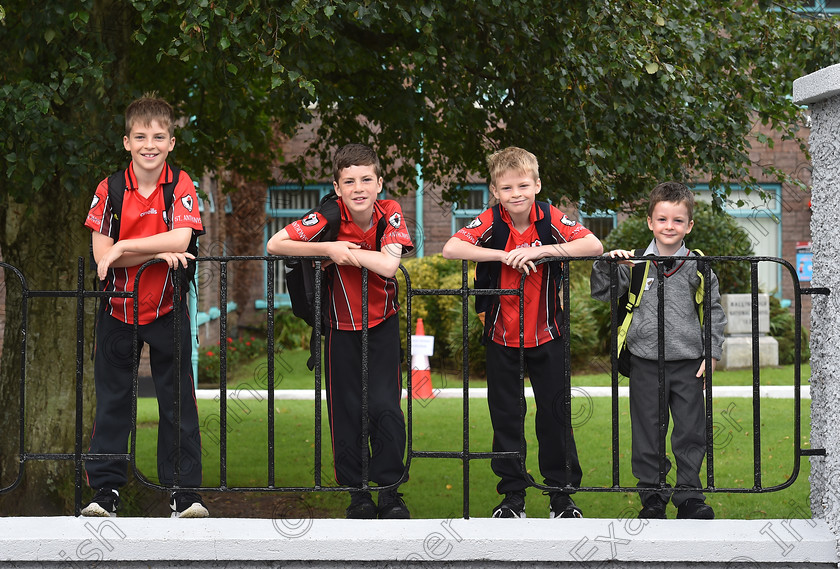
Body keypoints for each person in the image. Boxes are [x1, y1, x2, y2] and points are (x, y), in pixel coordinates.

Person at [442, 146, 603, 519]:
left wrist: (542, 251)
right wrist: (506, 255)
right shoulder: (491, 221)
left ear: (537, 185)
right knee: (506, 417)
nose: (516, 194)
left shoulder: (549, 217)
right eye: (506, 188)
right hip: (500, 334)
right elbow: (452, 248)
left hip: (548, 332)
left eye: (523, 185)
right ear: (495, 192)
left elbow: (593, 244)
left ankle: (561, 496)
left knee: (556, 415)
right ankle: (513, 496)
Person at [267, 143, 414, 519]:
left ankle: (389, 492)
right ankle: (358, 494)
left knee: (386, 410)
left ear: (380, 183)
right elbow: (275, 243)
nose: (359, 187)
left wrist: (348, 254)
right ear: (337, 186)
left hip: (382, 326)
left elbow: (388, 266)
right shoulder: (328, 215)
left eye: (367, 179)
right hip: (337, 330)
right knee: (346, 415)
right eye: (350, 181)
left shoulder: (390, 212)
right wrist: (330, 247)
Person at [83, 95, 208, 518]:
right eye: (140, 136)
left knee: (178, 401)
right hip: (118, 308)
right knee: (114, 399)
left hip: (168, 306)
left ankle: (184, 493)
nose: (149, 144)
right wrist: (146, 251)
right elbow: (102, 259)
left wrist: (126, 247)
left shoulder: (180, 183)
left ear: (171, 142)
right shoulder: (111, 188)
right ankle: (105, 492)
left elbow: (183, 240)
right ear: (126, 141)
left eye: (158, 136)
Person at [589, 181, 726, 520]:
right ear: (650, 221)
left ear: (689, 225)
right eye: (662, 219)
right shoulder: (635, 263)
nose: (669, 227)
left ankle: (690, 497)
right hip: (644, 361)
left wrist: (711, 353)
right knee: (648, 432)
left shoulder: (698, 266)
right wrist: (607, 262)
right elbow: (603, 293)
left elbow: (714, 311)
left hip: (689, 363)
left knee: (690, 432)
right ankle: (652, 496)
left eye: (678, 221)